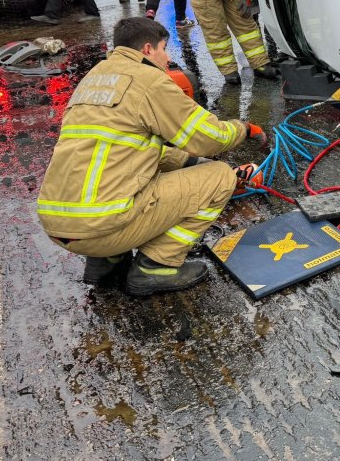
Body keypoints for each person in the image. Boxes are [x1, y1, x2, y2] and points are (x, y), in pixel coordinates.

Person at [36, 17, 268, 296]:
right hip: (101, 227)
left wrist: (191, 164)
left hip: (60, 225)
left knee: (122, 171)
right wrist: (242, 128)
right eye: (164, 48)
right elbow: (208, 138)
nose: (168, 57)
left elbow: (132, 151)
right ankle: (156, 266)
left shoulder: (95, 78)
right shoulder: (148, 81)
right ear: (147, 49)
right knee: (219, 177)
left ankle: (108, 261)